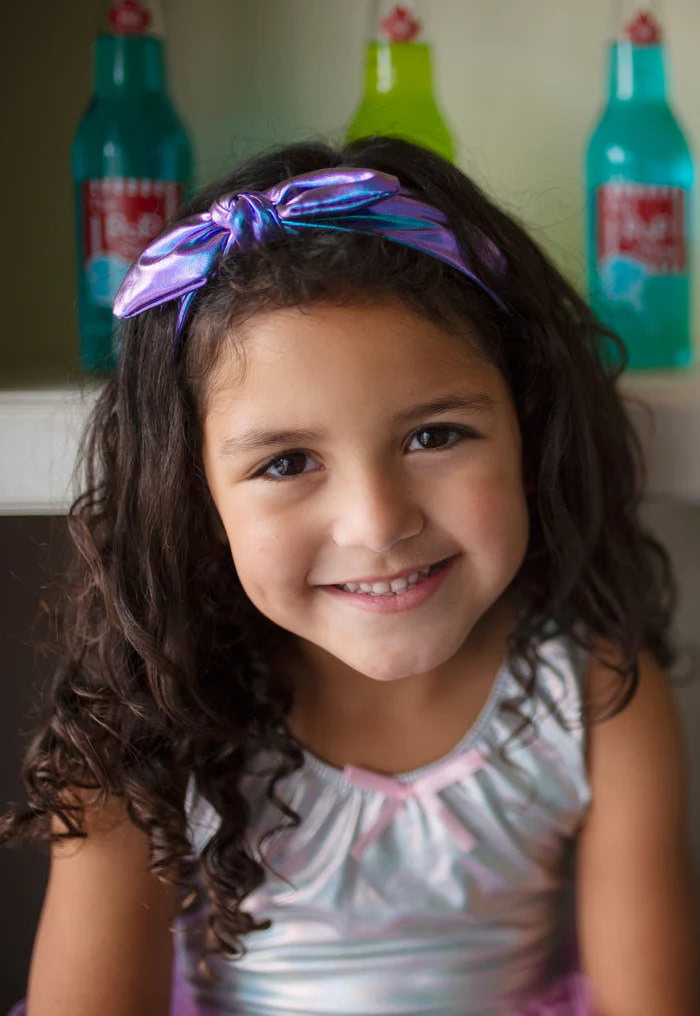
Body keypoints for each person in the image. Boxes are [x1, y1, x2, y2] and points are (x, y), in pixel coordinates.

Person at [2, 137, 697, 1016]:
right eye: (288, 462)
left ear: (528, 430)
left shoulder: (594, 693)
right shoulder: (142, 719)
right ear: (192, 498)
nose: (377, 523)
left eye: (434, 436)